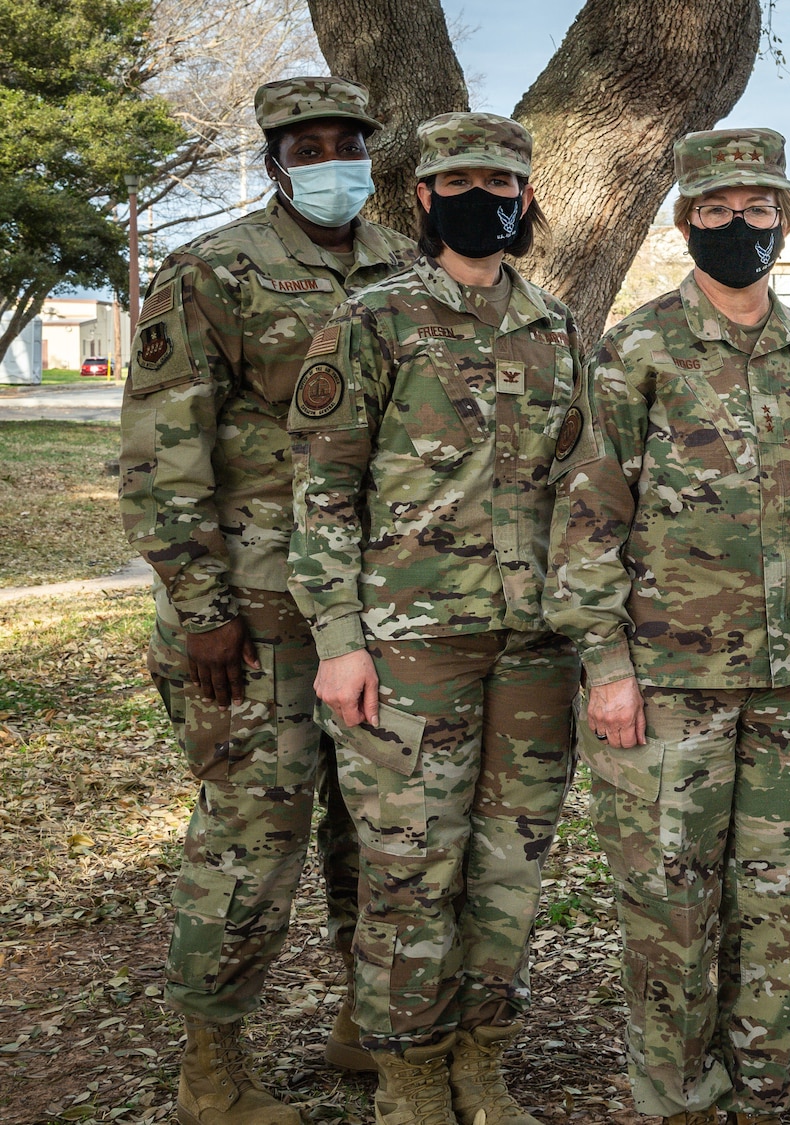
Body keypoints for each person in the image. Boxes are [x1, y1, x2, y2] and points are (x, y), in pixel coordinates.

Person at [545, 127, 790, 1125]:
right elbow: (588, 520)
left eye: (757, 208)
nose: (739, 225)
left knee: (779, 905)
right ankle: (675, 1093)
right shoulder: (636, 352)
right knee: (669, 906)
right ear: (686, 223)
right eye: (716, 210)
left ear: (785, 217)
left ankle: (764, 1084)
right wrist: (605, 666)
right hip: (666, 682)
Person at [119, 75, 417, 1125]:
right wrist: (201, 607)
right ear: (273, 161)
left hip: (377, 613)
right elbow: (161, 451)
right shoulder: (215, 269)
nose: (329, 159)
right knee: (252, 841)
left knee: (372, 838)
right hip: (251, 618)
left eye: (345, 142)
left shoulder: (404, 265)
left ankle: (362, 1022)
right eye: (306, 145)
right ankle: (216, 1066)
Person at [287, 112, 583, 1125]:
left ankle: (482, 1060)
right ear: (421, 198)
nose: (482, 199)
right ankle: (409, 1078)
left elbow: (582, 494)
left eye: (501, 183)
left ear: (527, 197)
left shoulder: (554, 325)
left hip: (534, 650)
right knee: (410, 872)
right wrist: (336, 642)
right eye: (457, 181)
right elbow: (322, 494)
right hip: (410, 647)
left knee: (510, 872)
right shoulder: (373, 320)